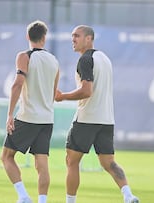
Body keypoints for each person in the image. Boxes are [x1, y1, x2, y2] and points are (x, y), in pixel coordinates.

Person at [55, 25, 139, 203]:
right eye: (72, 36)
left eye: (77, 36)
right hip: (106, 119)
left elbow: (86, 91)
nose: (73, 39)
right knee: (109, 162)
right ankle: (128, 195)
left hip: (87, 118)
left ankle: (70, 201)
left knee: (71, 160)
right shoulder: (104, 58)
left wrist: (62, 97)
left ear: (89, 38)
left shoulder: (86, 59)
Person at [0, 20, 59, 203]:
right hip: (47, 119)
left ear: (28, 37)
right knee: (42, 165)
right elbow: (54, 94)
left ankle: (23, 196)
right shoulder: (54, 61)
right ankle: (42, 201)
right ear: (44, 38)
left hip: (27, 117)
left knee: (6, 157)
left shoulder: (24, 56)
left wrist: (10, 114)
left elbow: (17, 84)